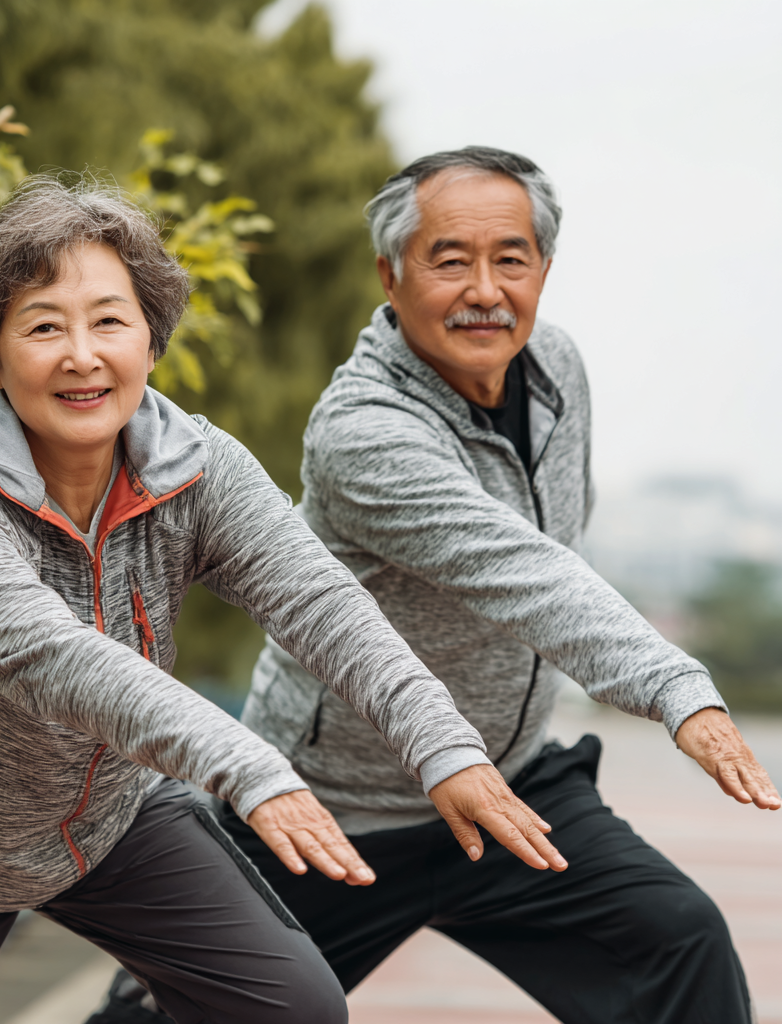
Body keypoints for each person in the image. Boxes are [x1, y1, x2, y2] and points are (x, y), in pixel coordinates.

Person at [0, 175, 568, 1024]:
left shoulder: (198, 468)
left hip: (110, 818)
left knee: (295, 1008)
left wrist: (444, 746)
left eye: (110, 321)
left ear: (151, 344)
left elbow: (320, 602)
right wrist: (253, 769)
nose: (82, 355)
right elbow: (57, 660)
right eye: (44, 326)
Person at [96, 148, 780, 1024]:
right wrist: (680, 690)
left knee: (678, 940)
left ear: (544, 269)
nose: (485, 290)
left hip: (513, 787)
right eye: (450, 259)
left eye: (512, 258)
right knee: (176, 1015)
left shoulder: (558, 373)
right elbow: (524, 574)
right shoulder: (362, 431)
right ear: (390, 274)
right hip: (334, 812)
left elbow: (561, 545)